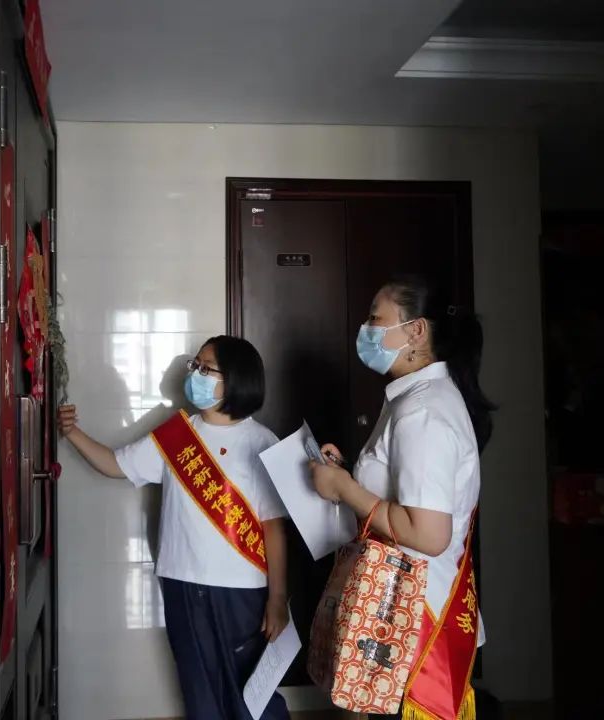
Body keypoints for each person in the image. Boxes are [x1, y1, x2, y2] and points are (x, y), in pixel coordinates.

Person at [58, 336, 291, 720]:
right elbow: (116, 464)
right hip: (181, 581)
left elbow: (273, 528)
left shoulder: (262, 442)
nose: (196, 374)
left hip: (241, 590)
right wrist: (72, 433)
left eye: (206, 368)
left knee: (252, 693)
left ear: (235, 378)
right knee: (198, 690)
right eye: (194, 365)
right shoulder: (177, 434)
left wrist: (278, 598)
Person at [310, 275, 494, 720]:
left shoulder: (423, 410)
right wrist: (346, 473)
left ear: (416, 330)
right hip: (401, 608)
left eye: (376, 319)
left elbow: (427, 534)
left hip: (416, 618)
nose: (365, 329)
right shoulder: (413, 399)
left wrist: (344, 489)